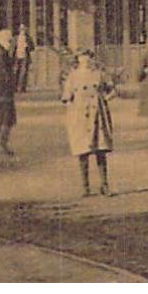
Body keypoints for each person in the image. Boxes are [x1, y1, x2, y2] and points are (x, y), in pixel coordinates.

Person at [62, 49, 115, 196]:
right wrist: (72, 112)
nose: (85, 60)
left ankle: (105, 185)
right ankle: (85, 187)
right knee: (82, 150)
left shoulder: (98, 74)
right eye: (81, 57)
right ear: (77, 59)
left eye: (87, 57)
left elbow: (112, 91)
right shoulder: (73, 76)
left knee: (101, 149)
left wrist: (104, 100)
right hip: (80, 115)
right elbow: (66, 97)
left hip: (97, 113)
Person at [14, 24, 32, 93]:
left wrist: (28, 46)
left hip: (25, 56)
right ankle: (15, 87)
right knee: (16, 72)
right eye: (21, 29)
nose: (22, 31)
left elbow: (32, 47)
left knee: (23, 73)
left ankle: (22, 88)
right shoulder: (16, 38)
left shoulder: (28, 38)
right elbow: (12, 47)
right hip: (17, 56)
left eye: (24, 29)